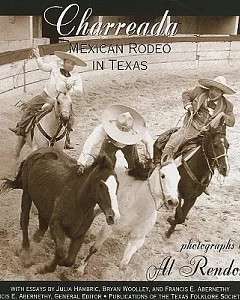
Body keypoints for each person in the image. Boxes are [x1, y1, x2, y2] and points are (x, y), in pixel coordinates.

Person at [9, 47, 87, 149]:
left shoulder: (75, 76)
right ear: (64, 61)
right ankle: (21, 128)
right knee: (30, 107)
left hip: (63, 100)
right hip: (46, 96)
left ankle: (66, 139)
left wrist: (69, 89)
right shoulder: (55, 67)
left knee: (71, 118)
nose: (70, 65)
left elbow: (79, 90)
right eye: (69, 62)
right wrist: (38, 56)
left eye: (73, 64)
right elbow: (43, 67)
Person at [161, 76, 236, 164]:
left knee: (219, 154)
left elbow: (232, 122)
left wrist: (223, 115)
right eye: (212, 89)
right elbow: (186, 94)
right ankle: (163, 166)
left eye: (217, 90)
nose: (213, 92)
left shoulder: (227, 105)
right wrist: (188, 106)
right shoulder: (199, 91)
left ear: (222, 93)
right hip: (192, 127)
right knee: (172, 145)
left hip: (210, 133)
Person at [77, 104, 154, 174]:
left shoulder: (138, 130)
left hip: (129, 145)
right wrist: (82, 163)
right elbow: (90, 142)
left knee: (135, 168)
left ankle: (132, 168)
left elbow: (149, 141)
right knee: (104, 169)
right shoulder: (104, 128)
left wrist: (150, 159)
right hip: (110, 143)